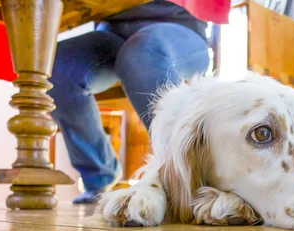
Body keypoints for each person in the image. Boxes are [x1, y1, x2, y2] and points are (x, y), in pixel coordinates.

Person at [49, 0, 228, 204]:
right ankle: (99, 175)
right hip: (112, 32)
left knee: (141, 53)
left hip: (181, 28)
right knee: (56, 68)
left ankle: (187, 174)